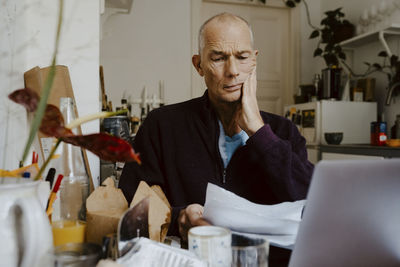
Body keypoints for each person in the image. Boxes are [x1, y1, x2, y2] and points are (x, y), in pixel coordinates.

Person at [119, 13, 314, 241]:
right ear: (199, 65)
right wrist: (178, 218)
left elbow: (310, 204)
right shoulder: (161, 125)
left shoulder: (284, 132)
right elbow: (130, 206)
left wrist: (259, 133)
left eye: (242, 57)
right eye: (218, 58)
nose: (232, 71)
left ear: (254, 61)